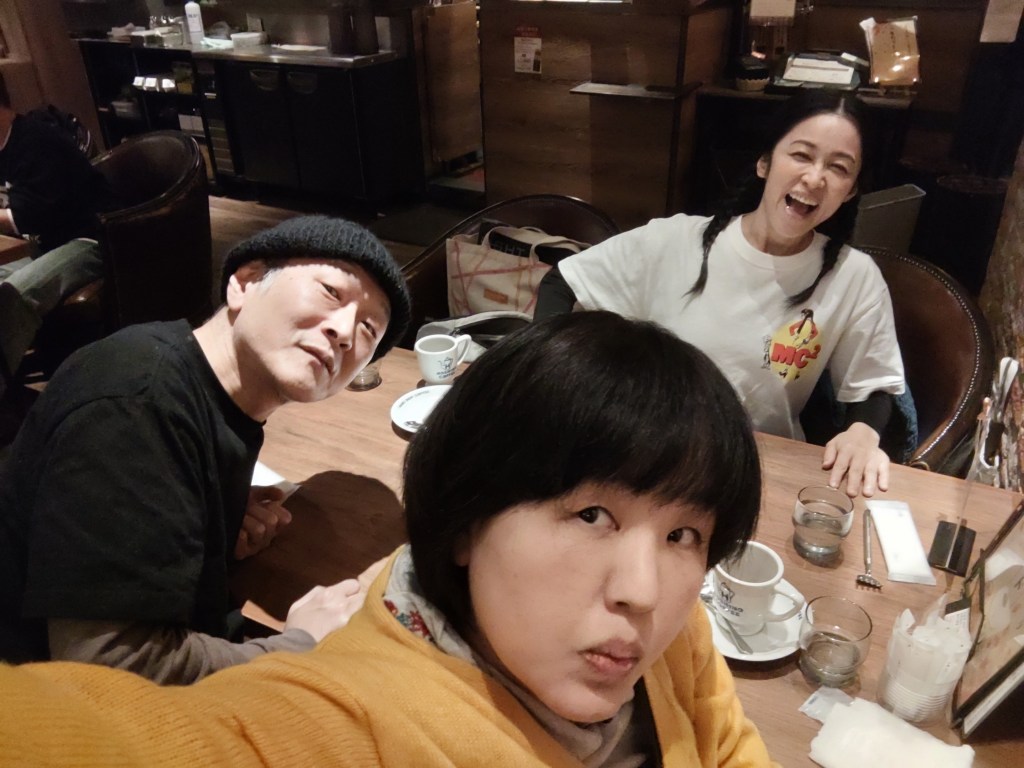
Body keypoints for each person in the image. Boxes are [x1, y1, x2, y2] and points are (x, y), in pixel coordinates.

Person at [0, 311, 774, 767]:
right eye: (592, 515)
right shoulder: (364, 720)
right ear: (467, 521)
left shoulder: (665, 630)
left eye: (683, 533)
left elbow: (730, 745)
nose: (643, 589)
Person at [0, 215, 412, 684]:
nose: (344, 331)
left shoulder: (212, 395)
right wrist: (301, 645)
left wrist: (210, 523)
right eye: (331, 292)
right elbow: (111, 669)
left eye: (368, 329)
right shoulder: (137, 402)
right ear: (245, 283)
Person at [535, 90, 906, 499]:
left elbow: (875, 385)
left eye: (838, 167)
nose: (815, 178)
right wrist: (551, 376)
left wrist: (863, 432)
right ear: (765, 162)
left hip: (759, 474)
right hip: (647, 460)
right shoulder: (674, 240)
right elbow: (562, 283)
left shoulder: (853, 276)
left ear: (851, 190)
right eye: (801, 155)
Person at [0, 72, 113, 397]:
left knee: (14, 294)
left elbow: (25, 216)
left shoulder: (36, 140)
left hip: (90, 240)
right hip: (44, 246)